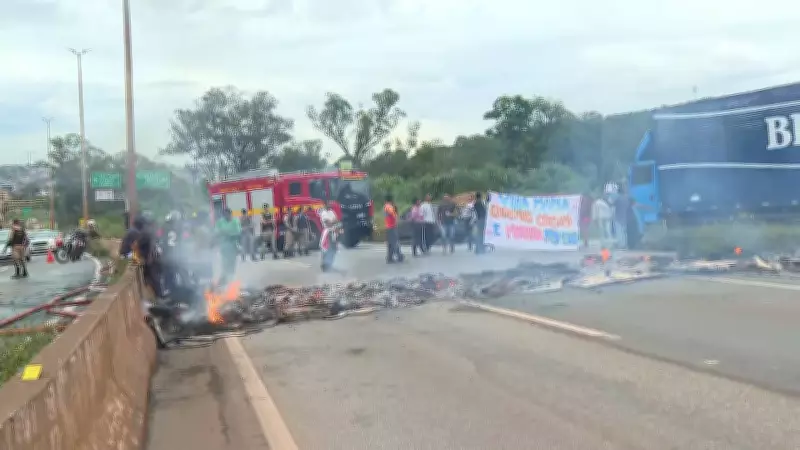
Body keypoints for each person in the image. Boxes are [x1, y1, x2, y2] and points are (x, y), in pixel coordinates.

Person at [214, 208, 241, 284]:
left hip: (233, 245)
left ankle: (231, 279)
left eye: (228, 214)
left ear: (230, 214)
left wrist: (225, 232)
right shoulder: (220, 222)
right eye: (224, 214)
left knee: (232, 262)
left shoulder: (235, 221)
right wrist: (228, 233)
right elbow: (216, 232)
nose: (226, 215)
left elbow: (238, 232)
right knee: (224, 262)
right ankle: (224, 278)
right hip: (224, 246)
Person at [319, 202, 339, 271]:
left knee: (333, 249)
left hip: (333, 232)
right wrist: (333, 221)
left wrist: (333, 221)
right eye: (328, 204)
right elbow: (328, 223)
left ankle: (330, 264)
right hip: (327, 232)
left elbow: (336, 220)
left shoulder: (331, 212)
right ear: (325, 205)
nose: (329, 205)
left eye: (330, 204)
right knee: (325, 249)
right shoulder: (323, 213)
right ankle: (323, 264)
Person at [384, 194, 403, 263]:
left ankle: (389, 258)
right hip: (391, 227)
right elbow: (393, 214)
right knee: (395, 242)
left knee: (390, 243)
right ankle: (399, 256)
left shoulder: (386, 206)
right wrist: (395, 211)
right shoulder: (389, 206)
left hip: (388, 227)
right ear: (391, 200)